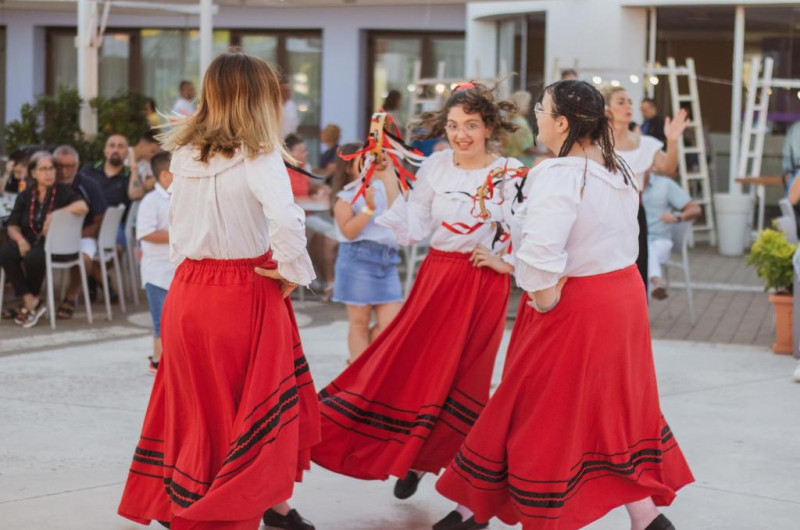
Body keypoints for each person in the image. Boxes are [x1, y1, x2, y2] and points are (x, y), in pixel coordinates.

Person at [436, 80, 694, 530]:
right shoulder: (615, 168)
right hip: (621, 297)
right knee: (608, 406)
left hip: (576, 303)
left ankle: (492, 509)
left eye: (541, 110)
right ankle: (645, 516)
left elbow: (541, 254)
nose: (536, 116)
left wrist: (544, 297)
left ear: (560, 123)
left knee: (540, 410)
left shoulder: (558, 174)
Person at [117, 51, 319, 530]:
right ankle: (233, 507)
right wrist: (292, 269)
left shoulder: (184, 153)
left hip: (188, 290)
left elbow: (179, 230)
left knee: (197, 407)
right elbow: (286, 218)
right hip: (240, 290)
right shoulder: (259, 153)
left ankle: (234, 501)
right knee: (249, 407)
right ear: (258, 98)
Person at [310, 83, 525, 517]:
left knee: (467, 381)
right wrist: (389, 179)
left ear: (488, 127)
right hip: (437, 279)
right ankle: (415, 456)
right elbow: (412, 231)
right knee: (417, 369)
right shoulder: (436, 167)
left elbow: (530, 229)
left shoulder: (510, 172)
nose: (461, 134)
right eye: (453, 125)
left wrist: (507, 263)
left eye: (471, 125)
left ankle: (460, 490)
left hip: (483, 285)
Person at [601, 85, 689, 289]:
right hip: (603, 215)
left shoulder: (646, 143)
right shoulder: (597, 143)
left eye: (630, 102)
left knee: (636, 272)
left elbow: (668, 167)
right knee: (605, 273)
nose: (628, 106)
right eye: (621, 102)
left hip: (634, 215)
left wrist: (672, 141)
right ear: (606, 110)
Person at [330, 142, 403, 363]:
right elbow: (349, 232)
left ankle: (360, 361)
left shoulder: (384, 185)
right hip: (358, 259)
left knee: (393, 325)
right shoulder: (345, 197)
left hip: (387, 259)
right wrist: (368, 209)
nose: (369, 162)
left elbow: (400, 214)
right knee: (359, 323)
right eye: (362, 159)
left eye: (370, 157)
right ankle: (359, 371)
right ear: (347, 167)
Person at [0, 151, 89, 328]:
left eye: (51, 168)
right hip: (28, 240)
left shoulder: (63, 191)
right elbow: (12, 225)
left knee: (33, 257)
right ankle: (30, 301)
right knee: (6, 252)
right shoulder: (25, 196)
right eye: (43, 169)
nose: (48, 173)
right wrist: (20, 239)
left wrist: (57, 213)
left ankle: (28, 305)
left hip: (54, 245)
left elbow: (82, 206)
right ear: (34, 173)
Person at [53, 145, 107, 319]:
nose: (64, 171)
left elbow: (99, 217)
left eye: (69, 166)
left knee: (84, 259)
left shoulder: (89, 185)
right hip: (50, 238)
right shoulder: (47, 183)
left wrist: (83, 234)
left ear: (77, 166)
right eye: (59, 166)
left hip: (83, 235)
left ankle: (71, 295)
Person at [136, 151, 175, 374]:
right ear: (165, 175)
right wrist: (179, 235)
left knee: (175, 320)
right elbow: (146, 233)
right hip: (157, 272)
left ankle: (169, 361)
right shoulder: (151, 201)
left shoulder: (181, 196)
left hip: (178, 269)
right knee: (161, 320)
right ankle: (159, 362)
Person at [643, 174, 701, 299]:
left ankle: (654, 282)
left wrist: (678, 217)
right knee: (643, 250)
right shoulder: (624, 183)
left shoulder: (664, 184)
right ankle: (656, 281)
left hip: (660, 241)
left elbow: (695, 209)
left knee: (645, 252)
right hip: (635, 243)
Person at [502, 90, 535, 166]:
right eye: (527, 105)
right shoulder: (520, 122)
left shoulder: (510, 122)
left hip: (510, 162)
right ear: (521, 105)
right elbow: (526, 148)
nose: (529, 108)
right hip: (524, 163)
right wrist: (544, 154)